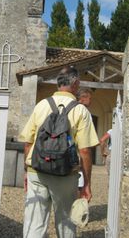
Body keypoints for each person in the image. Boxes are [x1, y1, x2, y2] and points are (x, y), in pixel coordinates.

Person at [19, 66, 99, 238]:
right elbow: (85, 150)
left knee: (34, 223)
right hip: (65, 174)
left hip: (37, 171)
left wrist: (27, 171)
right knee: (65, 223)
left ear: (58, 83)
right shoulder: (81, 111)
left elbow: (27, 143)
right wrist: (86, 184)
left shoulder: (41, 105)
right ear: (76, 83)